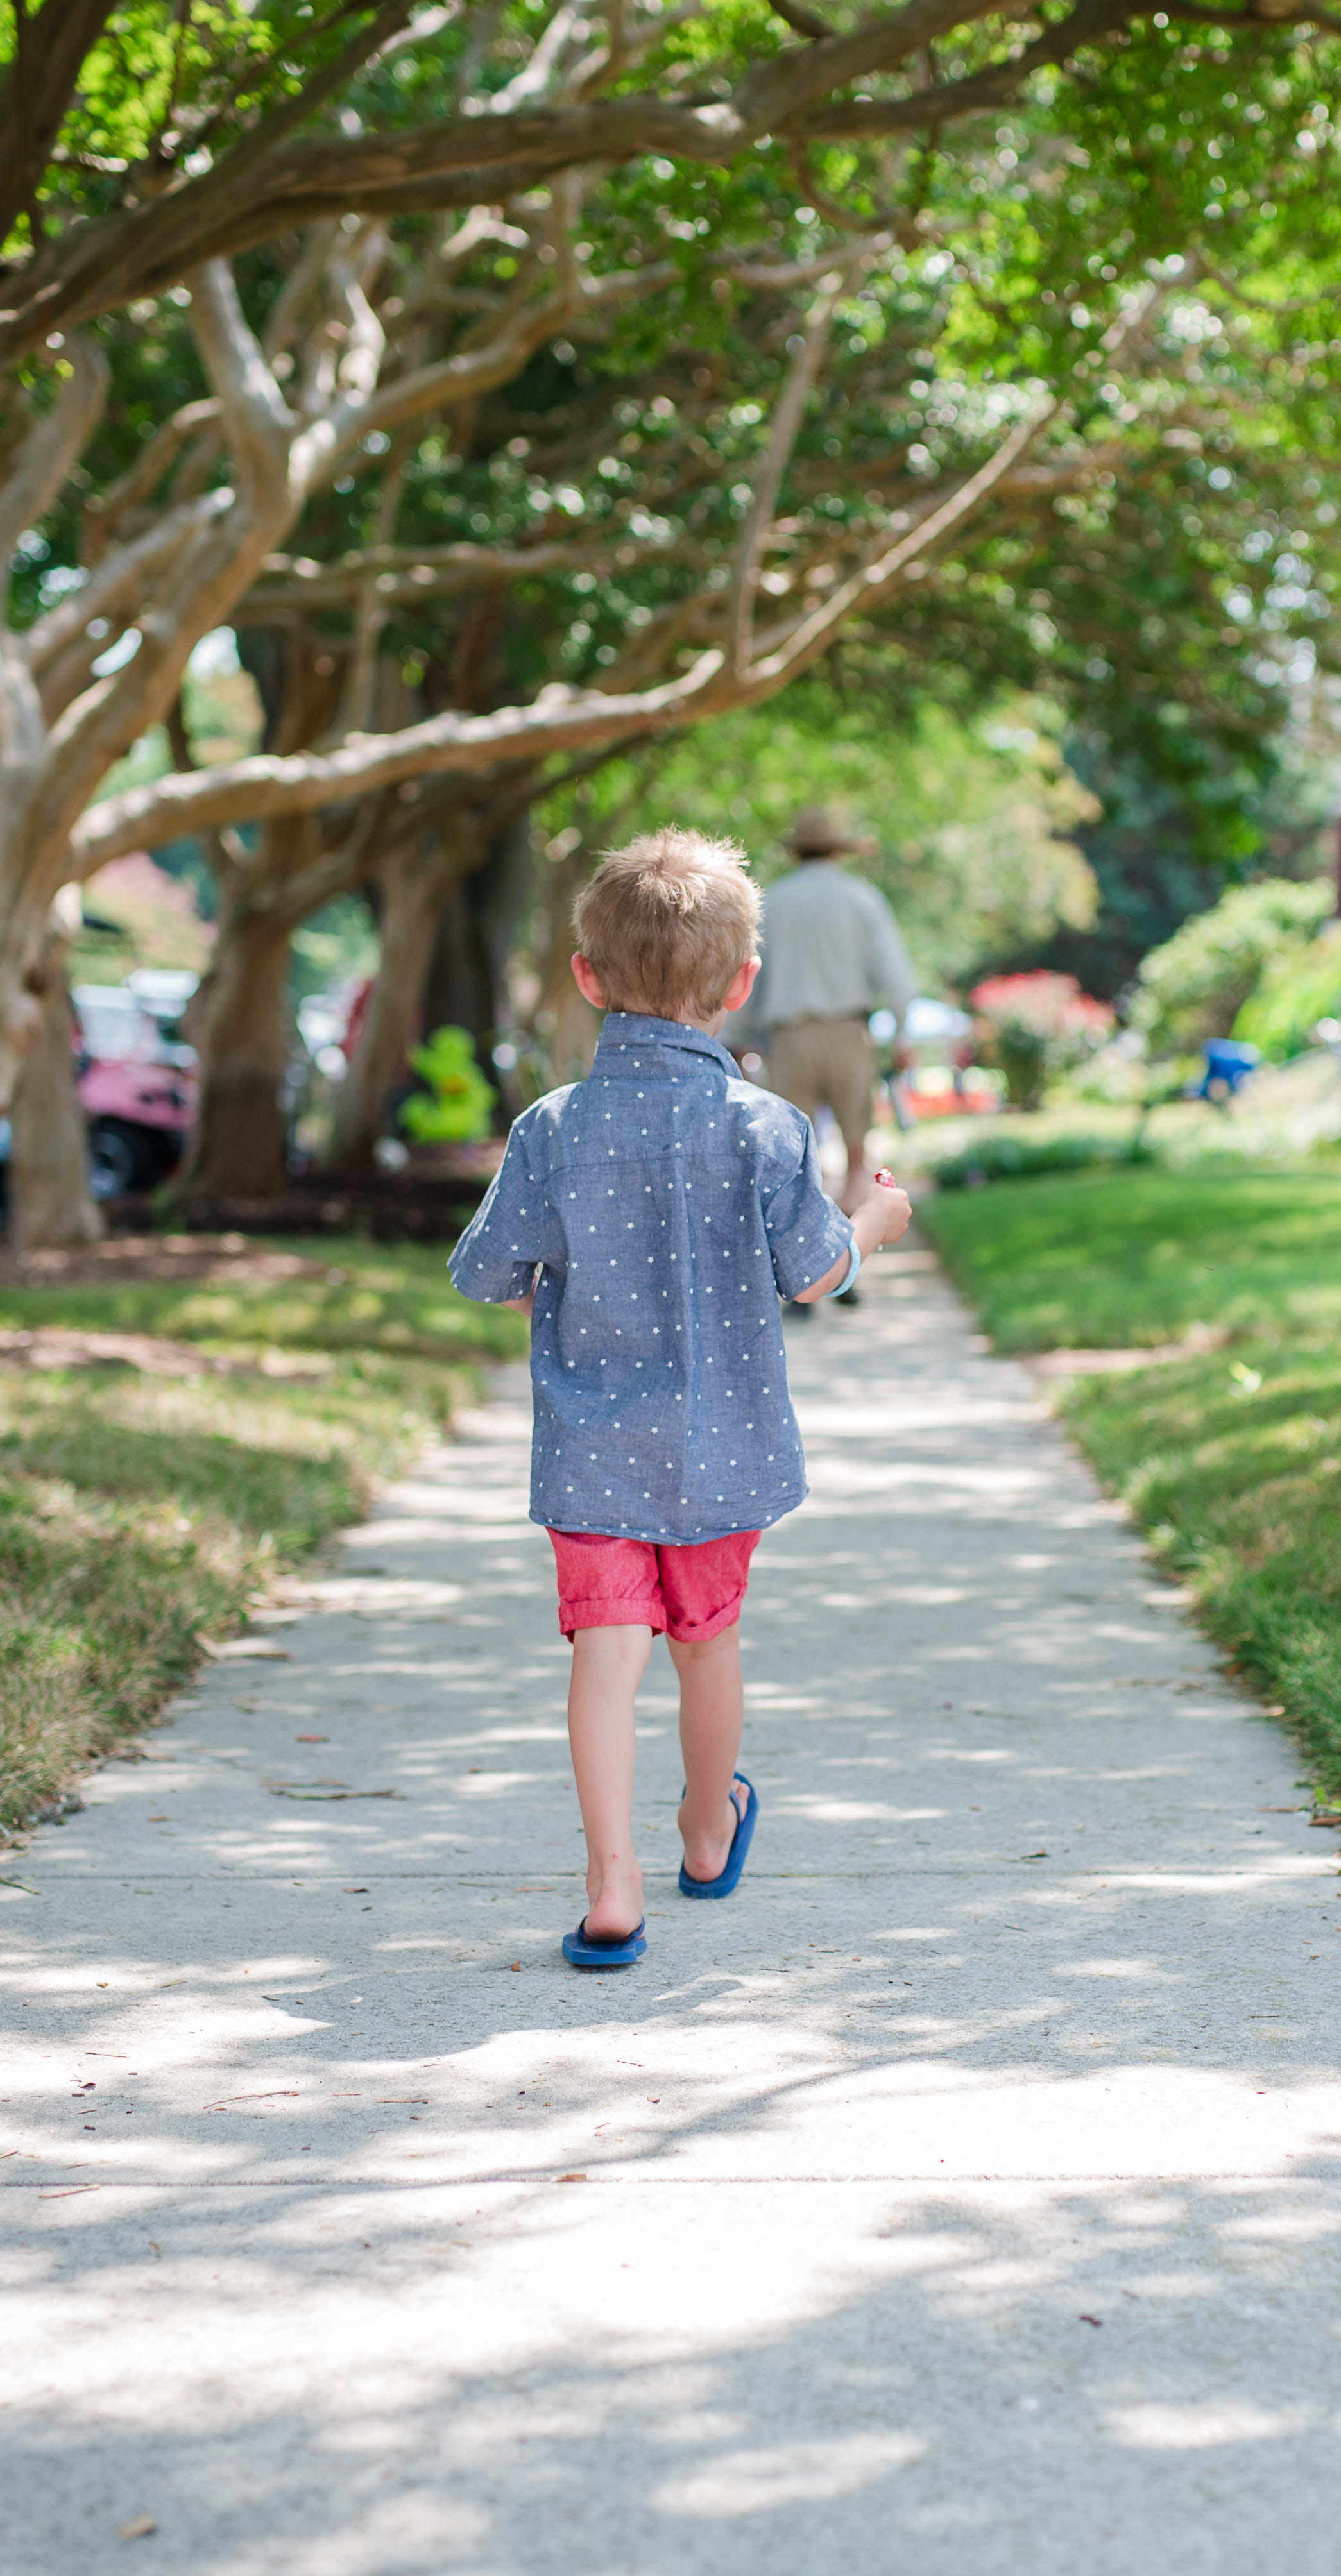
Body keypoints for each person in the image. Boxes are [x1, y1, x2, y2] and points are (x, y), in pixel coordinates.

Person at [447, 829, 915, 1973]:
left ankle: (612, 1886)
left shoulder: (552, 1128)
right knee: (708, 1646)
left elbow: (489, 1275)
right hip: (720, 1455)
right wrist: (872, 1228)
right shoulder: (763, 1129)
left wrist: (582, 1303)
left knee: (604, 1658)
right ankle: (708, 1827)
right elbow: (812, 1270)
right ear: (741, 984)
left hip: (593, 1457)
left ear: (588, 977)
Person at [735, 806, 918, 1298]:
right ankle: (846, 1257)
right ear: (840, 849)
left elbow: (750, 974)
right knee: (857, 1151)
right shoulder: (861, 898)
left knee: (795, 1157)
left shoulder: (771, 901)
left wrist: (735, 1036)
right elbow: (897, 978)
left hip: (790, 1037)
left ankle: (803, 1265)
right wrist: (901, 1032)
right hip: (849, 1033)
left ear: (795, 850)